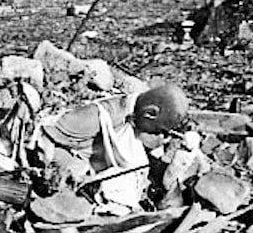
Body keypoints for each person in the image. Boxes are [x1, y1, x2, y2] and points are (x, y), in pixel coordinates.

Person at [32, 84, 190, 213]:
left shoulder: (132, 115)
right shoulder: (95, 117)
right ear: (149, 113)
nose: (159, 135)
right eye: (159, 130)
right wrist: (75, 171)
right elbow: (45, 141)